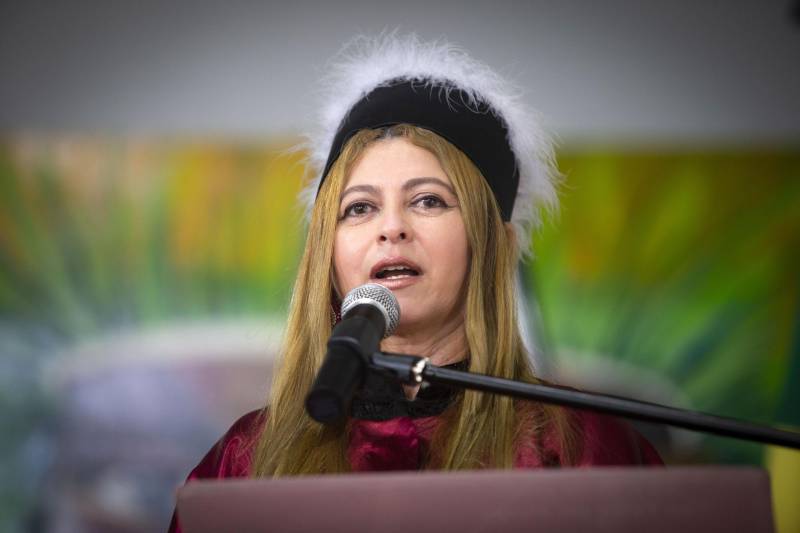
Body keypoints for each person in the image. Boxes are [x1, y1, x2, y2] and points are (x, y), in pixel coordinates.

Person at [168, 34, 662, 532]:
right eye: (359, 208)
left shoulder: (583, 449)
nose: (392, 227)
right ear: (328, 254)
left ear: (496, 244)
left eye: (428, 200)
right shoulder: (246, 459)